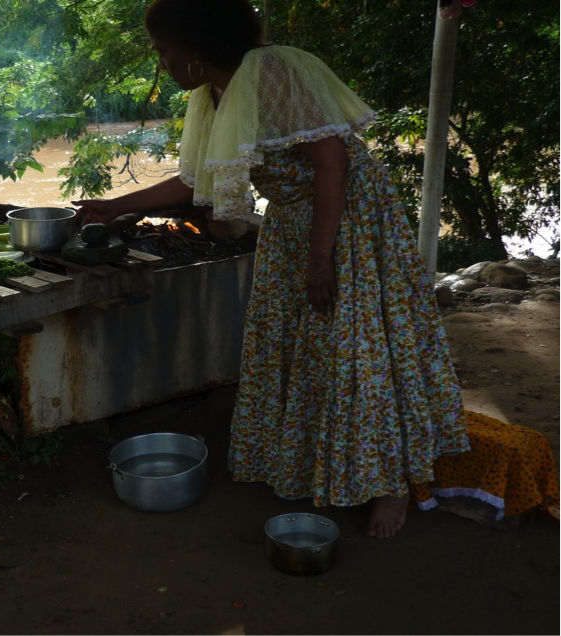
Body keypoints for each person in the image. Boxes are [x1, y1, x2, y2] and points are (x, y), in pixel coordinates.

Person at [72, 0, 471, 538]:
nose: (160, 63)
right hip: (291, 220)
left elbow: (332, 164)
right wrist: (114, 205)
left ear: (195, 48)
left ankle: (391, 481)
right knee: (298, 340)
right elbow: (194, 181)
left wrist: (320, 259)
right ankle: (315, 459)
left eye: (163, 51)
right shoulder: (210, 94)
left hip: (348, 216)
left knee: (354, 343)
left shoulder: (272, 71)